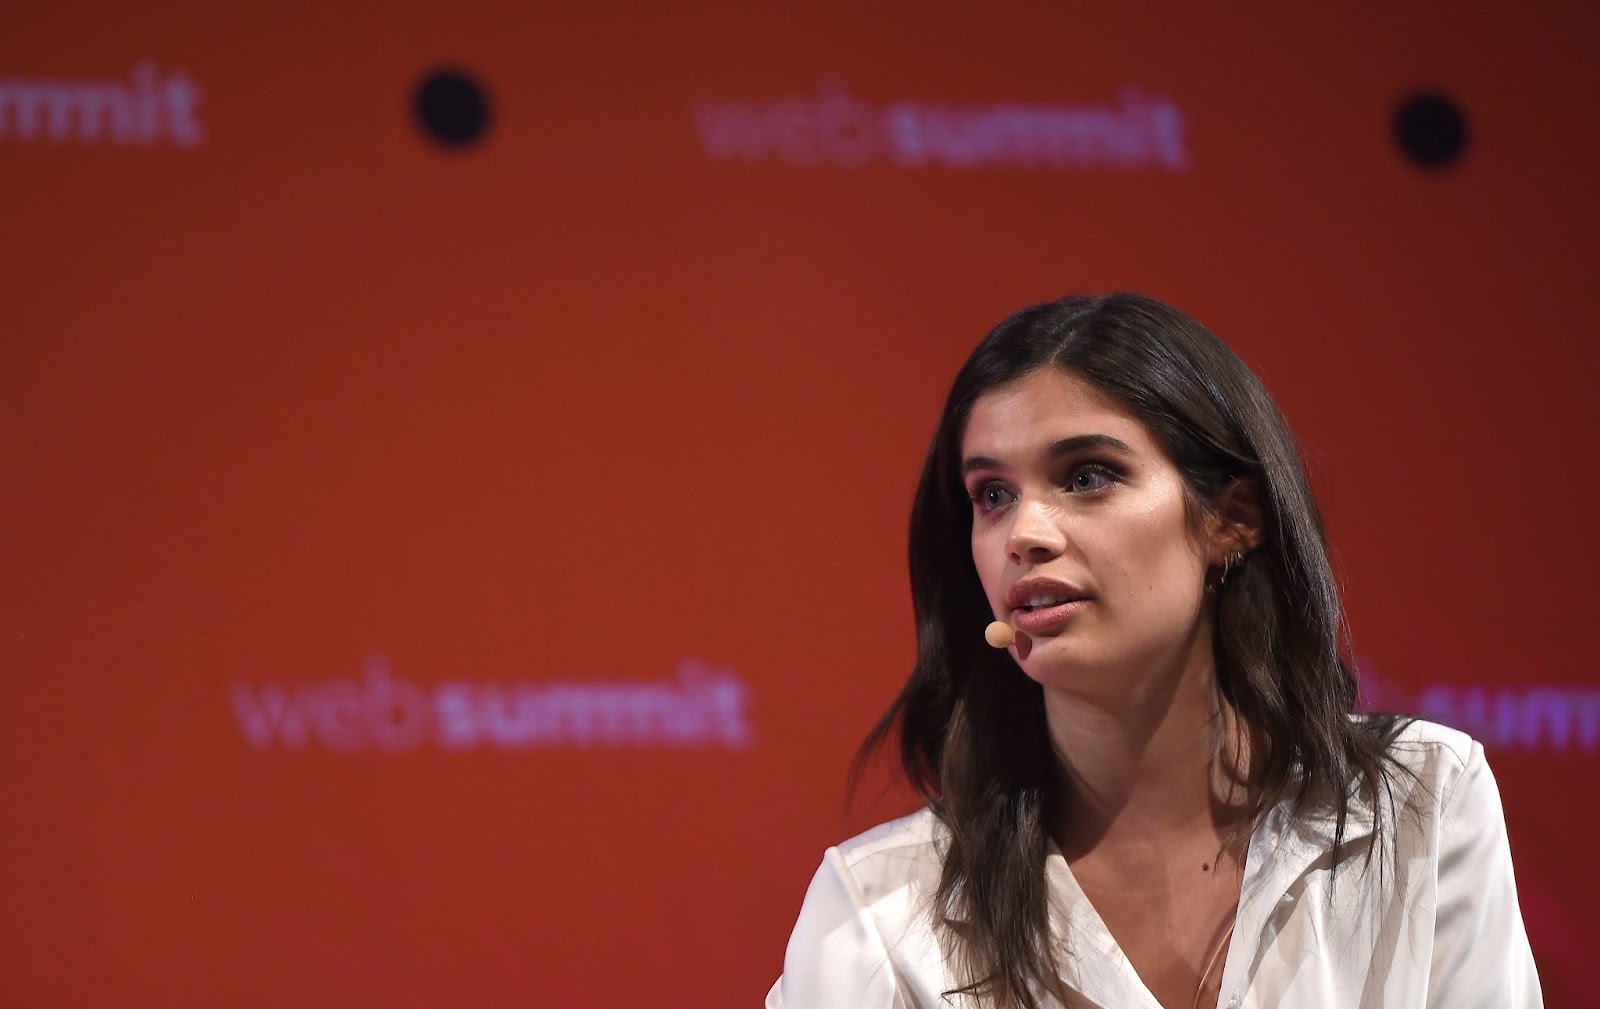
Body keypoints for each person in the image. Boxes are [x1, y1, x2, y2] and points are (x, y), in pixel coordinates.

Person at [765, 293, 1542, 1009]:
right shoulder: (878, 916)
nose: (1024, 534)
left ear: (1231, 519)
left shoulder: (1422, 803)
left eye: (1087, 476)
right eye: (993, 495)